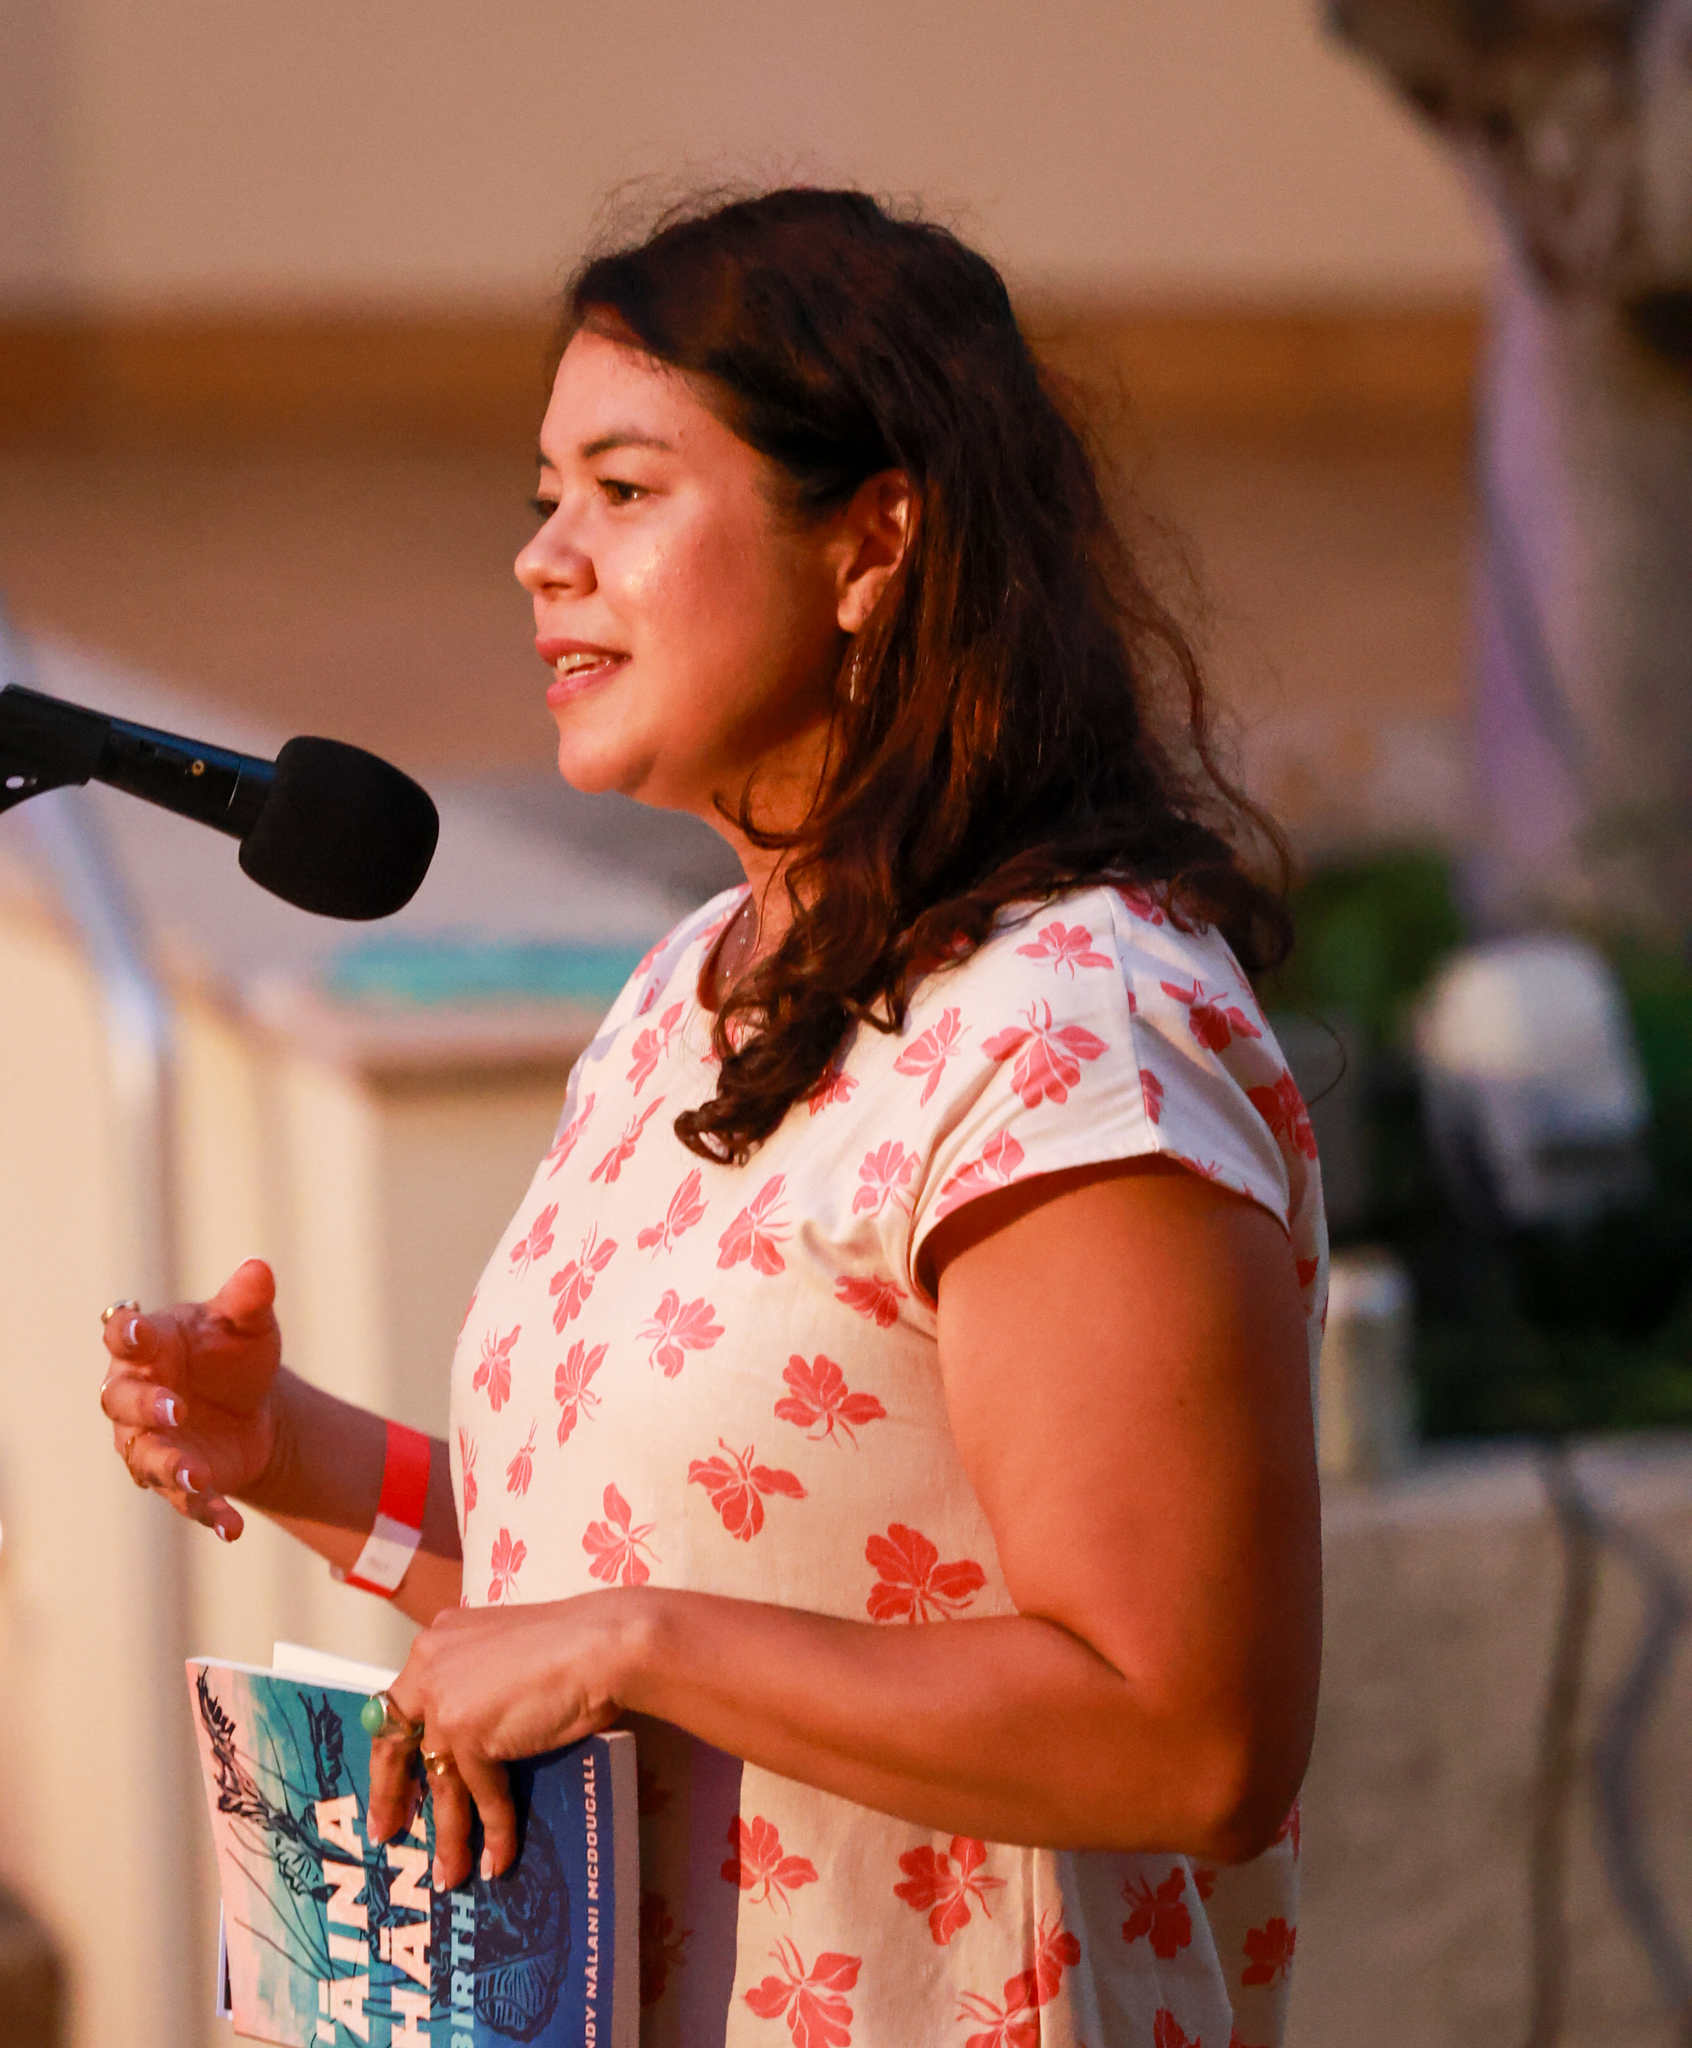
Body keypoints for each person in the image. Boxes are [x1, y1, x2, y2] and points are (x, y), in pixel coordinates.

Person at [99, 187, 1322, 2048]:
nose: (543, 558)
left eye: (624, 488)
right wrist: (297, 1458)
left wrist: (634, 1643)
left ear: (876, 539)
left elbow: (1188, 1733)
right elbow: (626, 1571)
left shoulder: (1075, 1036)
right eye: (542, 496)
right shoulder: (689, 990)